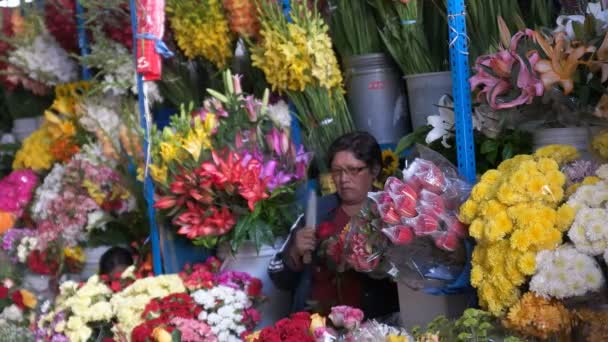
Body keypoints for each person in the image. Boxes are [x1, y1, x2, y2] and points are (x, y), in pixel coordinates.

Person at [268, 131, 399, 318]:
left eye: (353, 170)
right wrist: (294, 252)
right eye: (337, 171)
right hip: (317, 326)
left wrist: (376, 259)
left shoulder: (391, 212)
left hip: (375, 328)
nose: (344, 179)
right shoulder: (317, 212)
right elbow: (278, 277)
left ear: (374, 170)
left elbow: (411, 274)